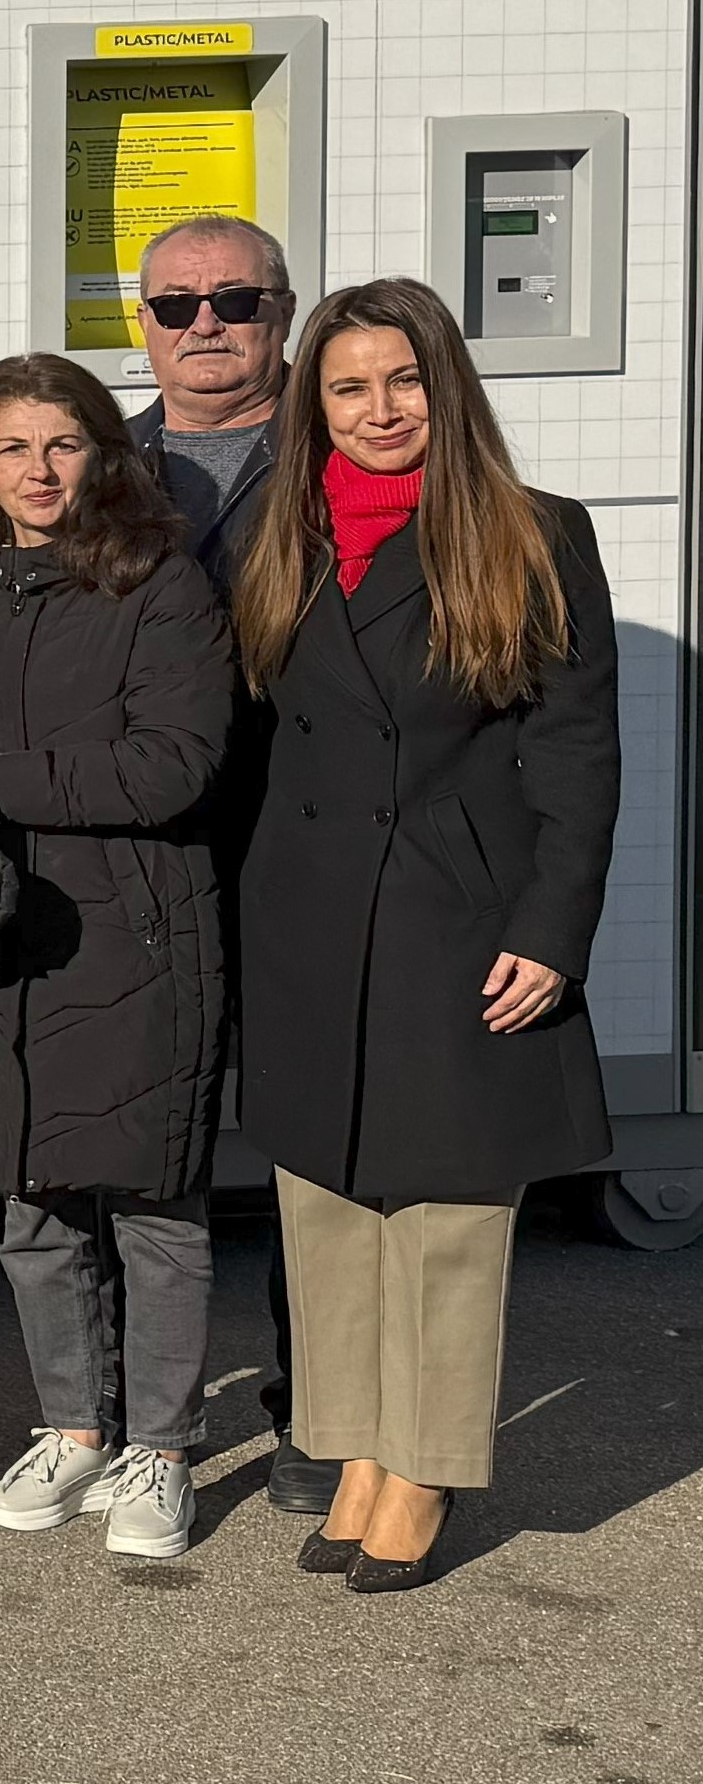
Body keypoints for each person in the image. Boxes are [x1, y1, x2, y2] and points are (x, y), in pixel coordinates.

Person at [230, 279, 615, 1591]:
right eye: (348, 387)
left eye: (404, 381)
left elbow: (575, 758)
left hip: (461, 917)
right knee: (330, 1202)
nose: (379, 410)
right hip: (310, 914)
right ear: (312, 404)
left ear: (445, 387)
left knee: (446, 1211)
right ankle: (351, 1447)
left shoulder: (531, 535)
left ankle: (424, 1468)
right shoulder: (279, 538)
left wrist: (553, 932)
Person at [0, 354, 238, 1566]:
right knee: (34, 1206)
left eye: (62, 444)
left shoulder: (157, 582)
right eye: (12, 448)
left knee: (155, 1207)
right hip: (7, 930)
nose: (38, 471)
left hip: (144, 927)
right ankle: (72, 1425)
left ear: (103, 454)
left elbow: (174, 766)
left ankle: (159, 1443)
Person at [125, 209, 333, 1517]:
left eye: (237, 301)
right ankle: (133, 1426)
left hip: (304, 849)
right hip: (138, 860)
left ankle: (318, 1414)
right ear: (141, 323)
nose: (206, 325)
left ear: (283, 312)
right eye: (176, 305)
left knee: (319, 1142)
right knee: (147, 1140)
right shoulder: (94, 464)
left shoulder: (339, 451)